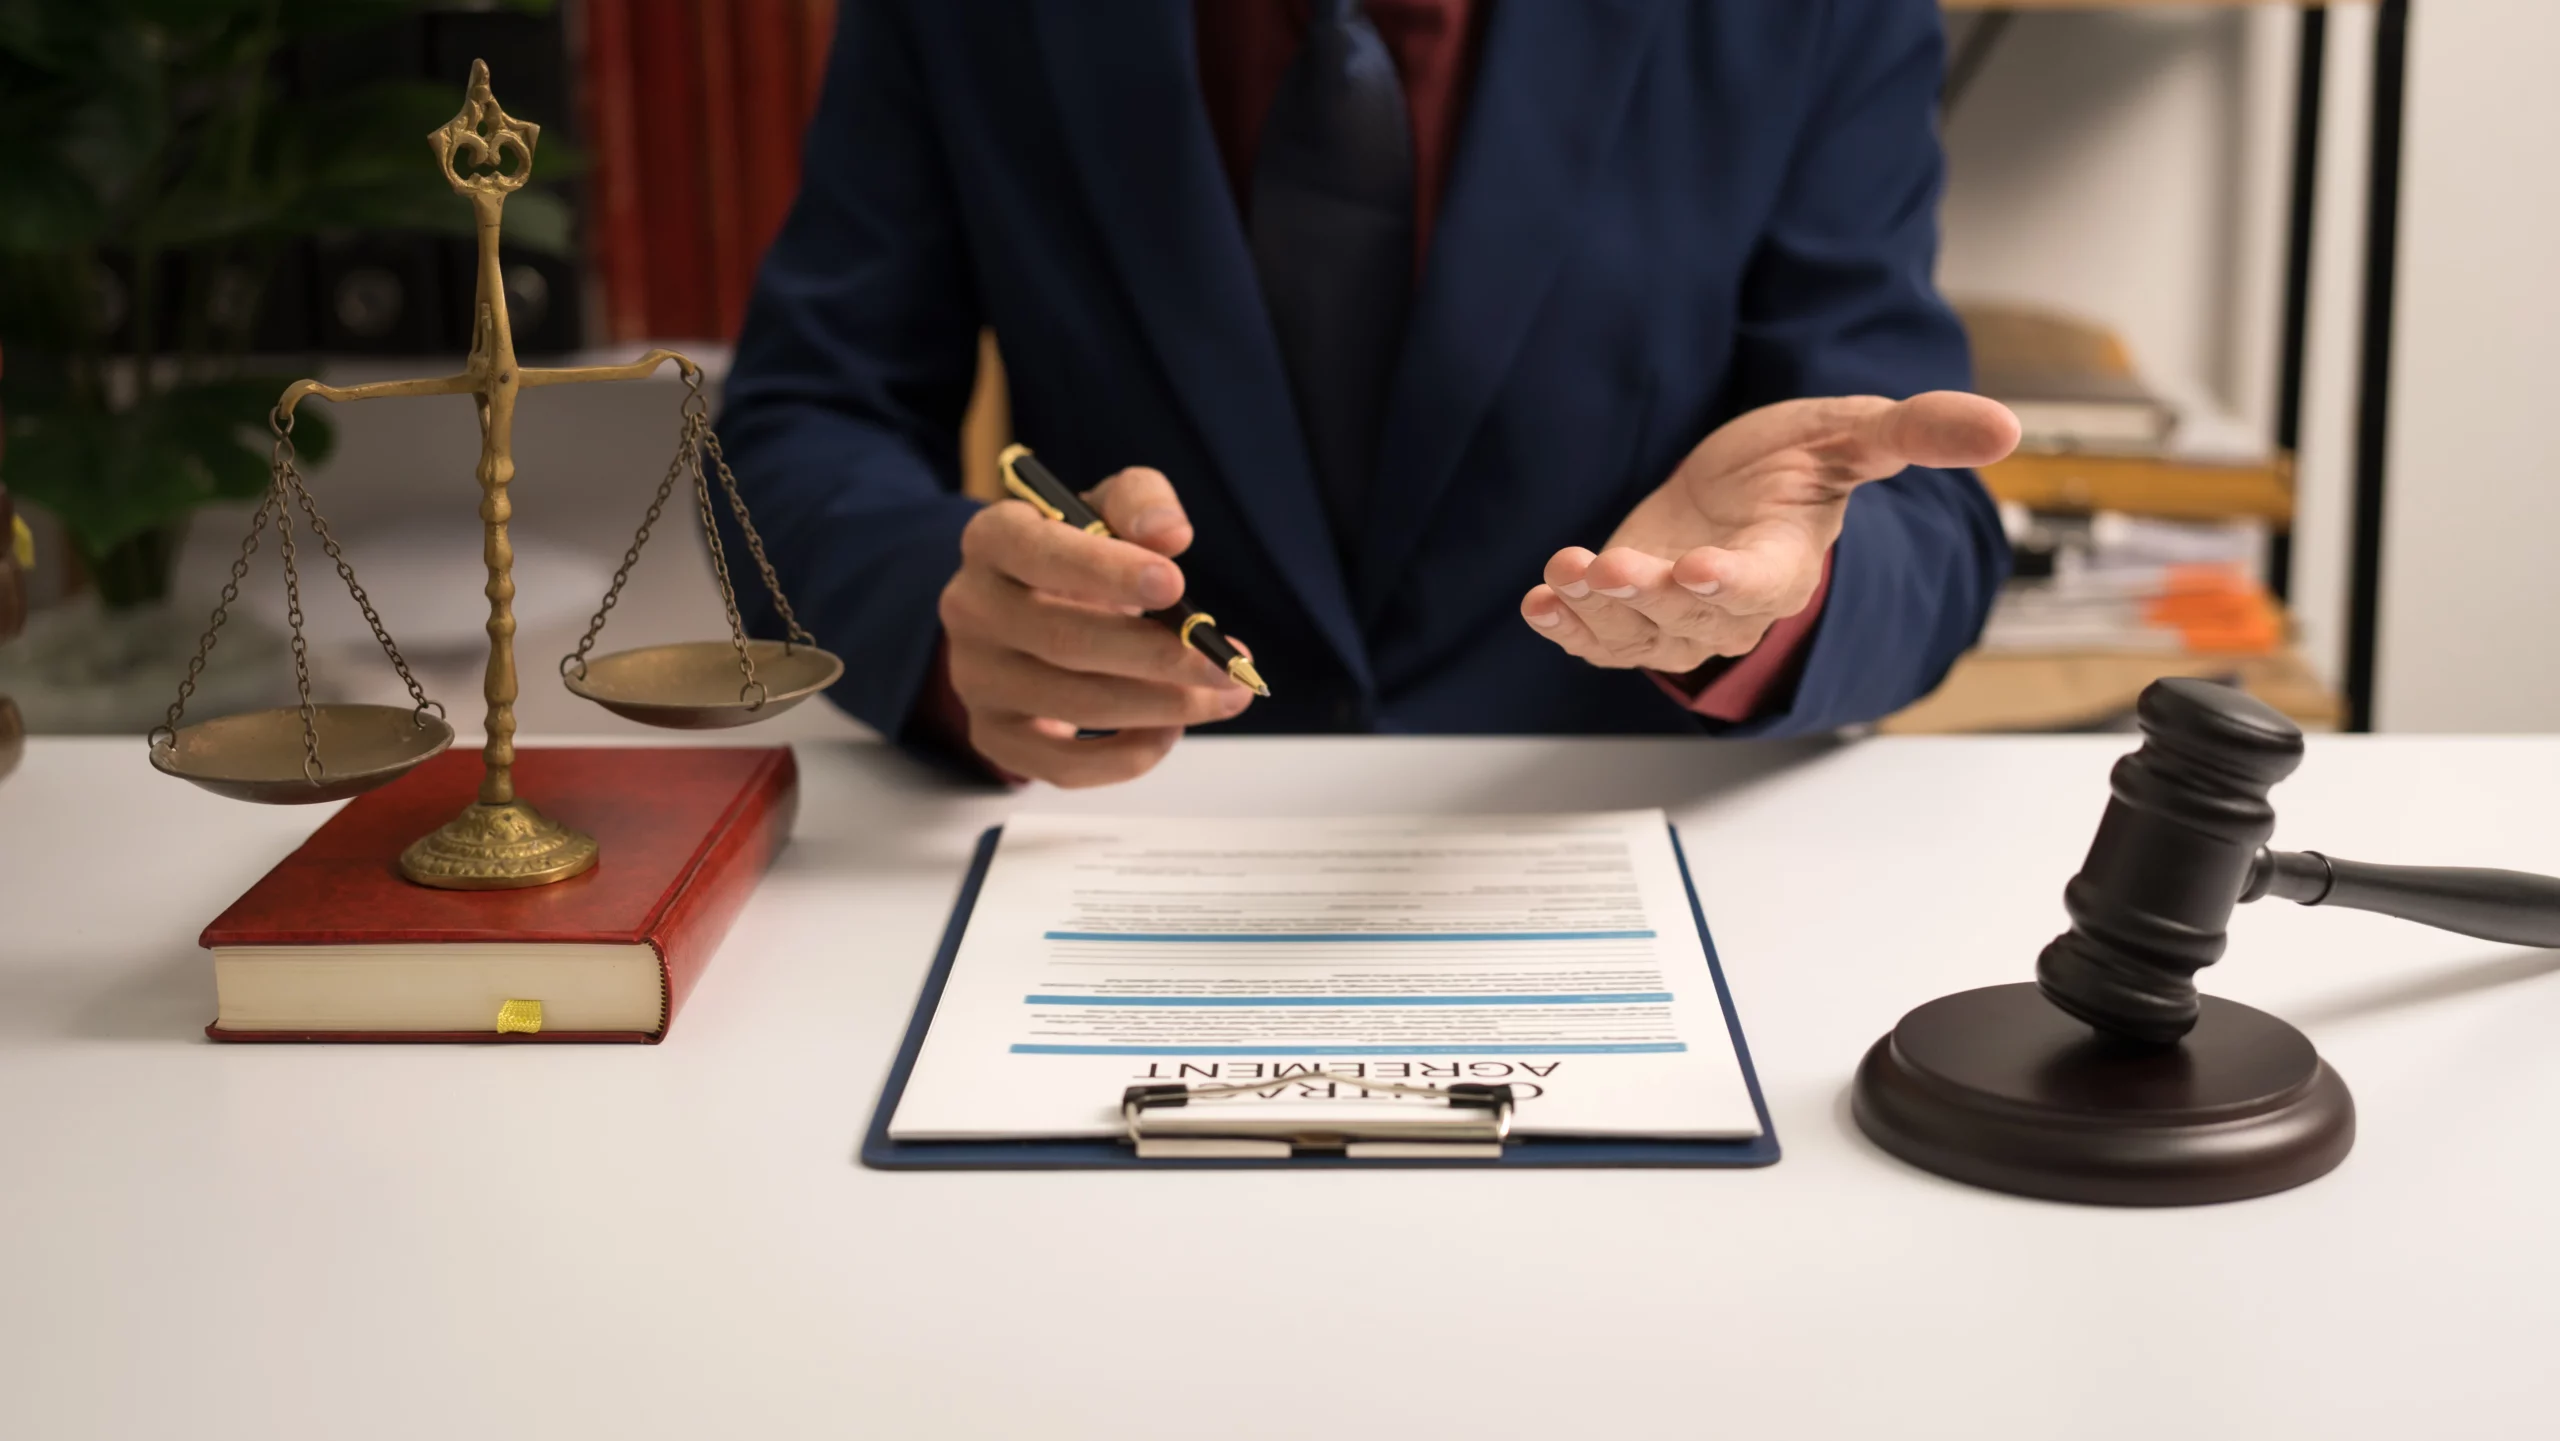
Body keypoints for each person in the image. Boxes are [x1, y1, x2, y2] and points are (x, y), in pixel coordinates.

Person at [717, 0, 2020, 786]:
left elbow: (1920, 517)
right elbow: (795, 432)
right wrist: (957, 636)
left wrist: (1769, 601)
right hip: (1109, 841)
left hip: (1618, 842)